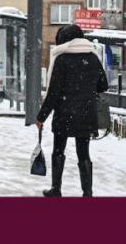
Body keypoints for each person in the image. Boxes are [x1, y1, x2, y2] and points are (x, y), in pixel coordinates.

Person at [36, 24, 108, 197]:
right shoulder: (93, 58)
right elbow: (103, 85)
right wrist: (86, 89)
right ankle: (87, 193)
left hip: (64, 114)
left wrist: (41, 117)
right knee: (83, 153)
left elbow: (53, 93)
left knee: (58, 150)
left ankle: (56, 189)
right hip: (86, 114)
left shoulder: (62, 60)